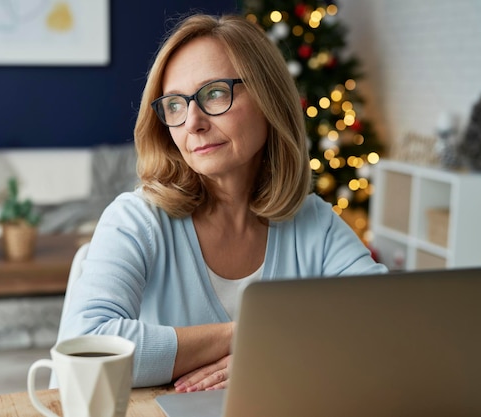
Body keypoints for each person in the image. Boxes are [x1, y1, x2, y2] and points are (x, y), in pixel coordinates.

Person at [57, 13, 387, 392]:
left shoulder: (314, 222)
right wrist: (251, 337)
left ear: (269, 100)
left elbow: (385, 322)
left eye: (215, 93)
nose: (192, 122)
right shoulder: (135, 220)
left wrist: (273, 353)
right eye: (176, 105)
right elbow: (85, 345)